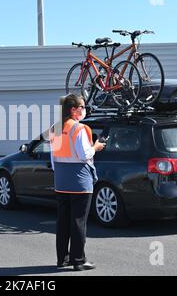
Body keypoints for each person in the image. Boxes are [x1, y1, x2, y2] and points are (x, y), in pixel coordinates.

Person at [50, 94, 106, 271]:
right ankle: (78, 260)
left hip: (61, 181)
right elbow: (84, 155)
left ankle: (63, 258)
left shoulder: (55, 128)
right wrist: (96, 147)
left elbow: (53, 159)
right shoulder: (79, 129)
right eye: (82, 107)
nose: (85, 110)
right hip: (80, 182)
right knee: (78, 222)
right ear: (74, 110)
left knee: (63, 221)